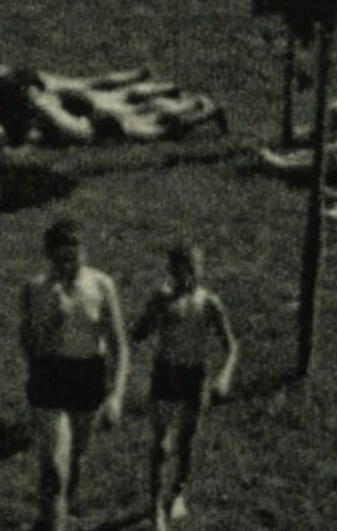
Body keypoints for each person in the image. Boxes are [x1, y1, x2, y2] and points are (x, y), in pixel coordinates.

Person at [21, 220, 128, 531]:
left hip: (88, 376)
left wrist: (116, 395)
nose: (68, 265)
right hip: (51, 377)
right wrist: (51, 323)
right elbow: (28, 343)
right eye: (60, 259)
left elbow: (120, 346)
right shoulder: (35, 288)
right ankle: (55, 519)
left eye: (74, 257)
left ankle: (52, 514)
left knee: (75, 458)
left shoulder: (101, 286)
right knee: (54, 466)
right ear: (49, 257)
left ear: (85, 253)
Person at [133, 243, 238, 531]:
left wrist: (224, 375)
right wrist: (154, 312)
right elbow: (138, 334)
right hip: (166, 374)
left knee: (187, 441)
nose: (185, 276)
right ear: (170, 271)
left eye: (191, 269)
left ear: (200, 270)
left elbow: (231, 345)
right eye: (178, 270)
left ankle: (177, 492)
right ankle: (155, 507)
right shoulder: (163, 299)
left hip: (196, 376)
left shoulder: (209, 303)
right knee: (161, 444)